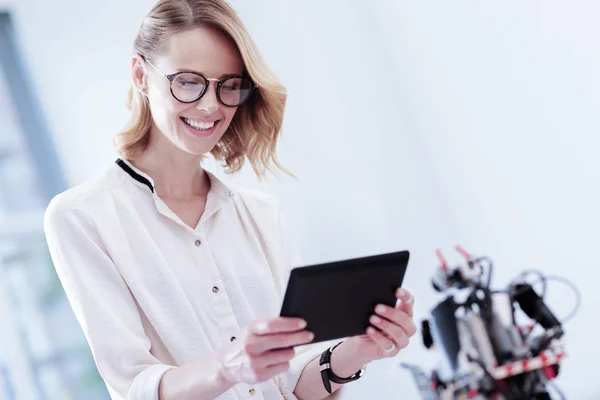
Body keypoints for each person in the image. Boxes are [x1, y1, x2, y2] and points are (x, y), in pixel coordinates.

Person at [43, 0, 417, 399]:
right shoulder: (82, 218)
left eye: (229, 85)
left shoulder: (260, 214)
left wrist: (356, 352)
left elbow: (292, 385)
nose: (211, 105)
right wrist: (230, 366)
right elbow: (134, 389)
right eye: (188, 81)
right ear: (140, 75)